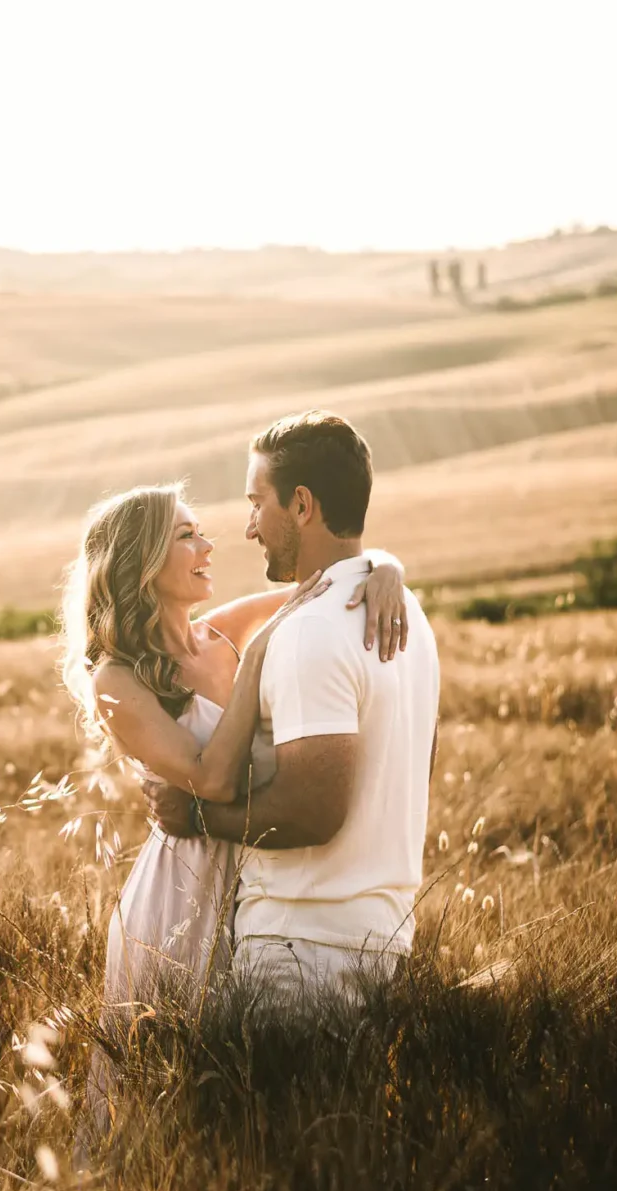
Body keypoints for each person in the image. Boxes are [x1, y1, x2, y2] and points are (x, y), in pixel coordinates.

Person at [59, 480, 409, 1142]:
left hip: (261, 866)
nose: (208, 545)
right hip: (183, 894)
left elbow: (328, 583)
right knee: (168, 1085)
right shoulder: (118, 678)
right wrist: (256, 665)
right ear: (141, 560)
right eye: (187, 535)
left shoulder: (224, 632)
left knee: (255, 1079)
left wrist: (385, 568)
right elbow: (211, 779)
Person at [149, 411, 441, 1018]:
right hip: (385, 942)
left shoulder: (310, 632)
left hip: (302, 952)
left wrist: (195, 814)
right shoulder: (405, 611)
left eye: (258, 503)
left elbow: (313, 810)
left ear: (302, 505)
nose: (250, 527)